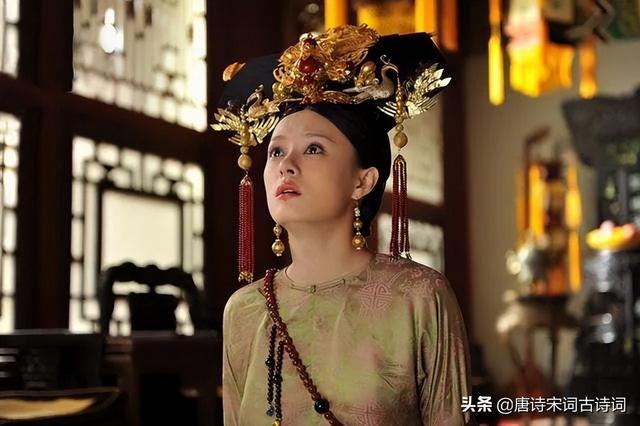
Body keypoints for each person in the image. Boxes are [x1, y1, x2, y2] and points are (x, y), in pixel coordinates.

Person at [215, 25, 474, 425]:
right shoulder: (244, 309)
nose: (286, 165)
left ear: (362, 181)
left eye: (313, 148)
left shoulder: (418, 296)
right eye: (276, 151)